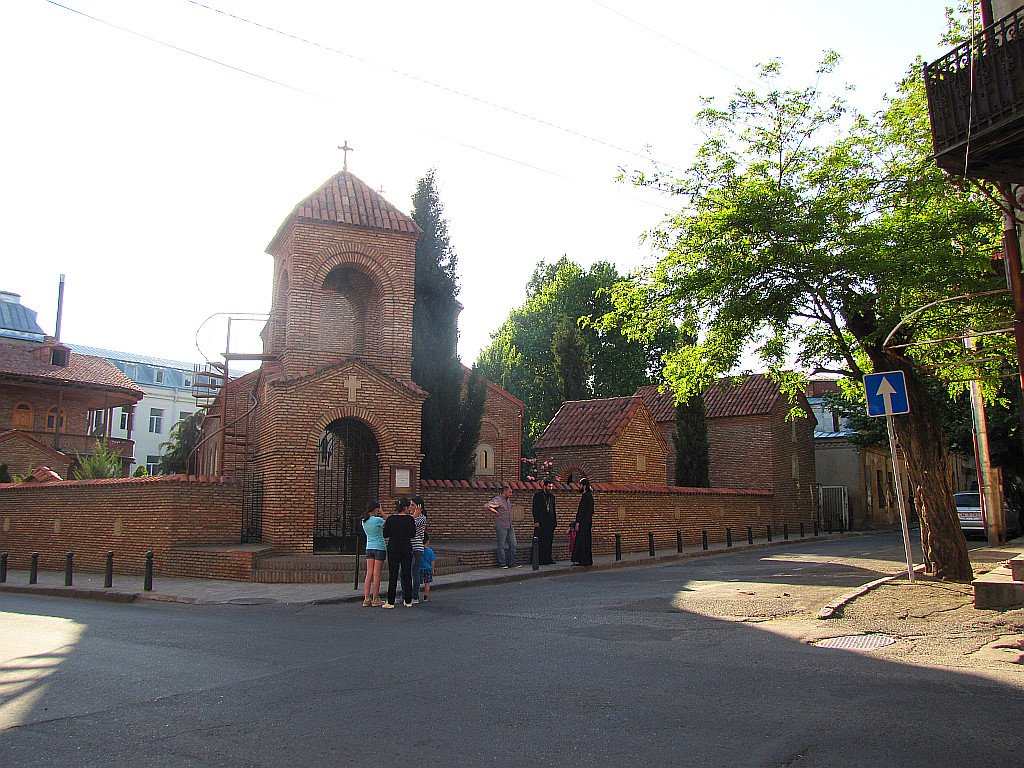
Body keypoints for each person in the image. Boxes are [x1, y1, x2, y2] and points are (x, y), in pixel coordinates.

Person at [382, 497, 416, 608]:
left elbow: (385, 534)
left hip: (393, 549)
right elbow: (413, 534)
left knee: (393, 575)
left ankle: (390, 601)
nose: (410, 509)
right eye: (409, 506)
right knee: (407, 575)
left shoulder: (391, 519)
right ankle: (408, 600)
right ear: (405, 507)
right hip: (406, 549)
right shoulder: (410, 520)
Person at [484, 483, 517, 568]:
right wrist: (495, 512)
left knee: (513, 544)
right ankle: (502, 563)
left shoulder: (508, 500)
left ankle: (512, 562)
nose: (511, 494)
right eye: (510, 492)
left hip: (509, 524)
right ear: (505, 492)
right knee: (501, 544)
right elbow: (487, 506)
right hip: (501, 524)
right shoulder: (498, 499)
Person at [361, 500, 386, 606]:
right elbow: (389, 521)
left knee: (369, 573)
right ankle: (375, 598)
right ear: (376, 509)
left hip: (369, 547)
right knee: (377, 574)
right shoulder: (377, 520)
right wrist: (382, 512)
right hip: (379, 547)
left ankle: (366, 598)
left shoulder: (364, 520)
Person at [532, 479, 558, 565]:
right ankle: (539, 559)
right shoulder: (538, 496)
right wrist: (536, 521)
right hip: (541, 522)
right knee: (540, 541)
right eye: (549, 486)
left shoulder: (552, 497)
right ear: (544, 486)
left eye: (551, 486)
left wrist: (555, 522)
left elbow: (553, 510)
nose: (550, 488)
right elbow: (535, 509)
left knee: (549, 541)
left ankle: (548, 558)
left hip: (550, 522)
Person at [408, 495, 428, 603]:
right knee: (403, 573)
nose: (410, 507)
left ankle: (414, 596)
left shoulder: (421, 518)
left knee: (415, 573)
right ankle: (405, 594)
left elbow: (409, 525)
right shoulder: (411, 516)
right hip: (408, 548)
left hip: (417, 548)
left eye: (413, 505)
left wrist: (415, 514)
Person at [570, 478, 594, 567]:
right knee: (586, 541)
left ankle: (582, 560)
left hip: (583, 523)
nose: (579, 487)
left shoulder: (586, 496)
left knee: (582, 541)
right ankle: (586, 560)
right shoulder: (589, 496)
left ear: (584, 486)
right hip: (587, 522)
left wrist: (578, 522)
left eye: (580, 485)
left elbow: (582, 511)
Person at [419, 535, 436, 601]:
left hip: (420, 568)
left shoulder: (419, 551)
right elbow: (433, 560)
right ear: (427, 541)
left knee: (417, 583)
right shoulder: (430, 551)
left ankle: (415, 596)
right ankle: (425, 597)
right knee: (427, 583)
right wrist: (432, 569)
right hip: (428, 568)